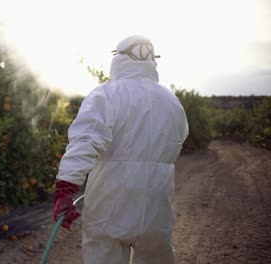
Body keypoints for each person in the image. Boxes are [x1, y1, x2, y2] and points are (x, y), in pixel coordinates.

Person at [52, 35, 189, 264]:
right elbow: (178, 142)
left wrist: (66, 187)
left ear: (119, 59)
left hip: (111, 202)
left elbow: (86, 140)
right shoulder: (172, 102)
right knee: (156, 257)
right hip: (156, 203)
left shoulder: (107, 94)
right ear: (152, 62)